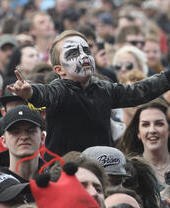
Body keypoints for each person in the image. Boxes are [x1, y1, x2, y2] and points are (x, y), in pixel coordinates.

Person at [7, 30, 170, 158]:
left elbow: (138, 92)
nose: (84, 56)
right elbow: (46, 93)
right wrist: (31, 92)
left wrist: (167, 78)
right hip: (65, 173)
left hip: (103, 171)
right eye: (73, 54)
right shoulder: (60, 90)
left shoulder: (104, 89)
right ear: (59, 70)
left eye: (86, 51)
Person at [118, 101, 170, 188]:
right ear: (138, 132)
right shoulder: (128, 172)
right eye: (145, 125)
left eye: (159, 124)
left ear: (168, 130)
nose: (152, 130)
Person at [0, 105, 45, 184]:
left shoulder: (57, 179)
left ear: (42, 138)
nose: (24, 137)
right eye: (15, 132)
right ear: (3, 141)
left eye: (30, 131)